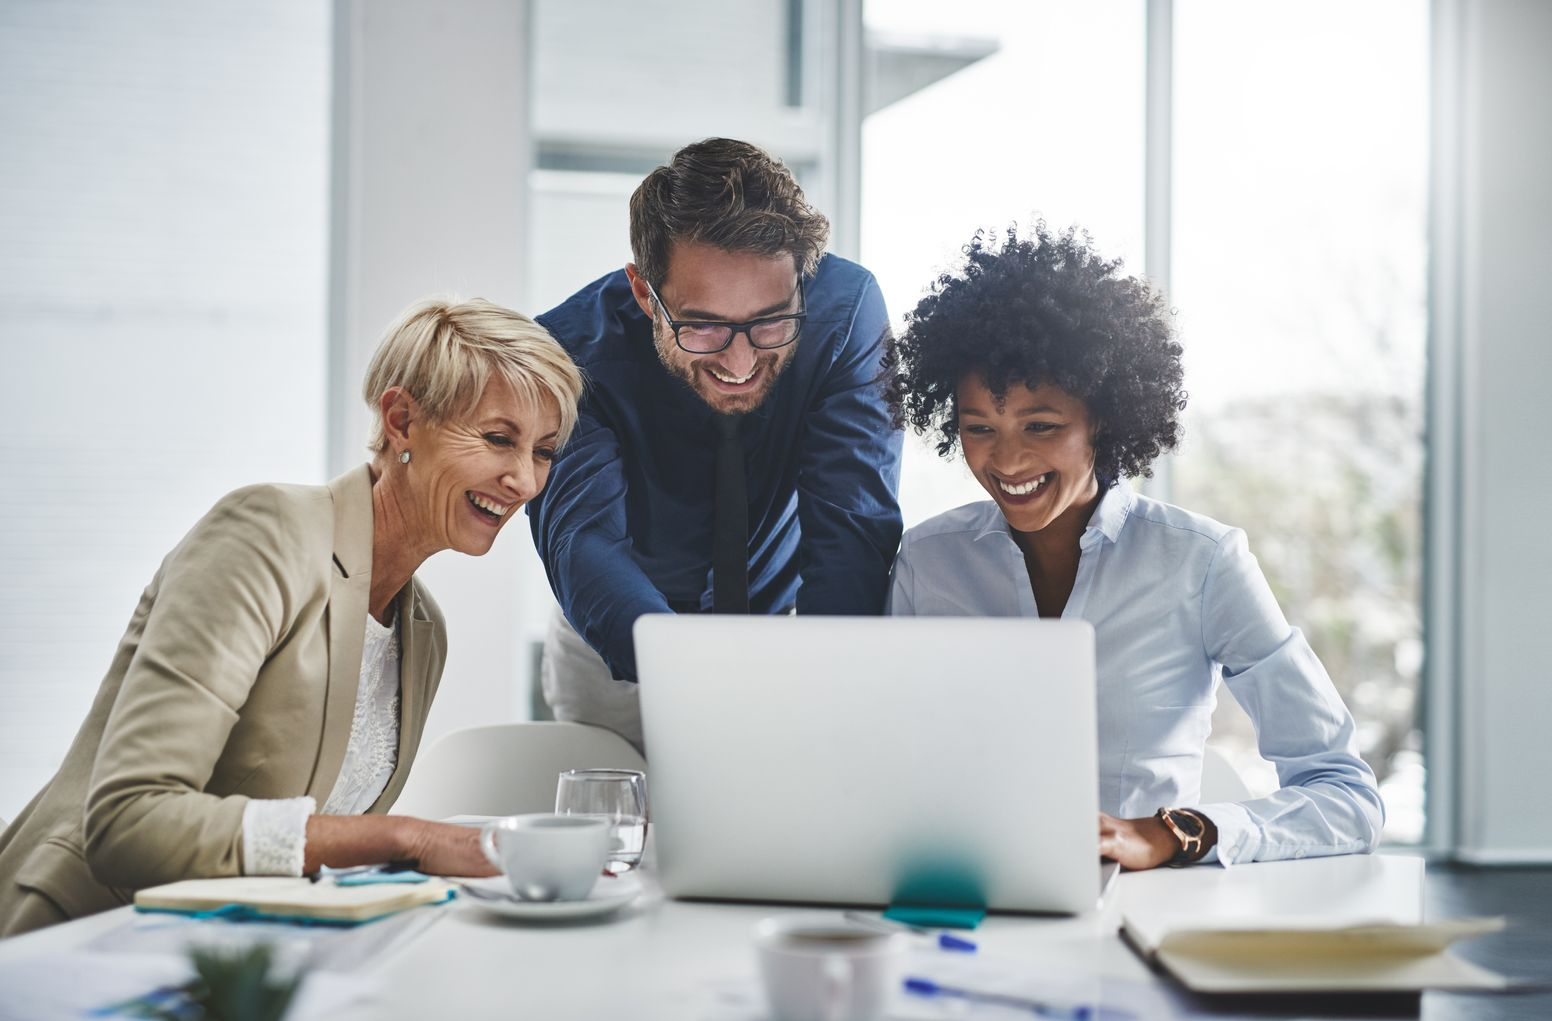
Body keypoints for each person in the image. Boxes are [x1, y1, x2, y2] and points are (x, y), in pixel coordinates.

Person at [0, 297, 584, 936]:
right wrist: (403, 837)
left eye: (544, 451)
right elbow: (130, 822)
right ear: (401, 419)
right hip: (81, 940)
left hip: (237, 961)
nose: (525, 481)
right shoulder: (265, 534)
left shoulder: (423, 631)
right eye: (499, 439)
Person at [886, 225, 1384, 869]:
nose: (1006, 459)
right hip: (965, 894)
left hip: (1141, 908)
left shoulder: (1202, 563)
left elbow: (1347, 796)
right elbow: (889, 761)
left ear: (1104, 418)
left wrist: (1168, 834)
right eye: (979, 428)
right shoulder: (929, 563)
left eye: (1041, 425)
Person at [530, 138, 902, 751]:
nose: (740, 359)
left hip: (788, 629)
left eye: (770, 321)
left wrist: (829, 684)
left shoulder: (845, 312)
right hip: (617, 649)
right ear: (645, 292)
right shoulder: (565, 352)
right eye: (702, 324)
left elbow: (852, 525)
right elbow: (584, 540)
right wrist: (696, 679)